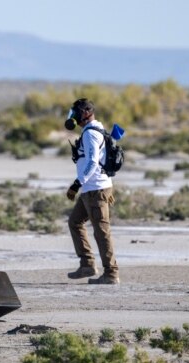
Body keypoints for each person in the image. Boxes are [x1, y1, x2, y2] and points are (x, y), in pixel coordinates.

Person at [64, 98, 119, 284]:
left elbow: (93, 162)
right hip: (91, 189)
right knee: (75, 222)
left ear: (86, 113)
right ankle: (87, 265)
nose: (73, 117)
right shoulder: (92, 130)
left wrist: (76, 184)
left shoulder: (90, 134)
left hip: (95, 189)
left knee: (101, 232)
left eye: (76, 113)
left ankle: (111, 273)